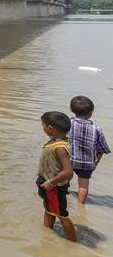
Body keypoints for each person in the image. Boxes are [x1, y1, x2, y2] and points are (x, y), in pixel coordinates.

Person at [36, 111, 77, 242]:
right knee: (49, 209)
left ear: (50, 128)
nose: (42, 128)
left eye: (43, 125)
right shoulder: (57, 142)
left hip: (53, 187)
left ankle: (73, 242)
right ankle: (47, 235)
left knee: (61, 214)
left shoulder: (59, 147)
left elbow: (68, 172)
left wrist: (51, 182)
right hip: (50, 185)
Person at [68, 95, 110, 204]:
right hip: (87, 163)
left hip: (68, 160)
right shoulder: (96, 129)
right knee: (83, 186)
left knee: (64, 181)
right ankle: (81, 206)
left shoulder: (67, 124)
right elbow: (102, 149)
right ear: (91, 113)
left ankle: (63, 196)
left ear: (71, 110)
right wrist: (95, 163)